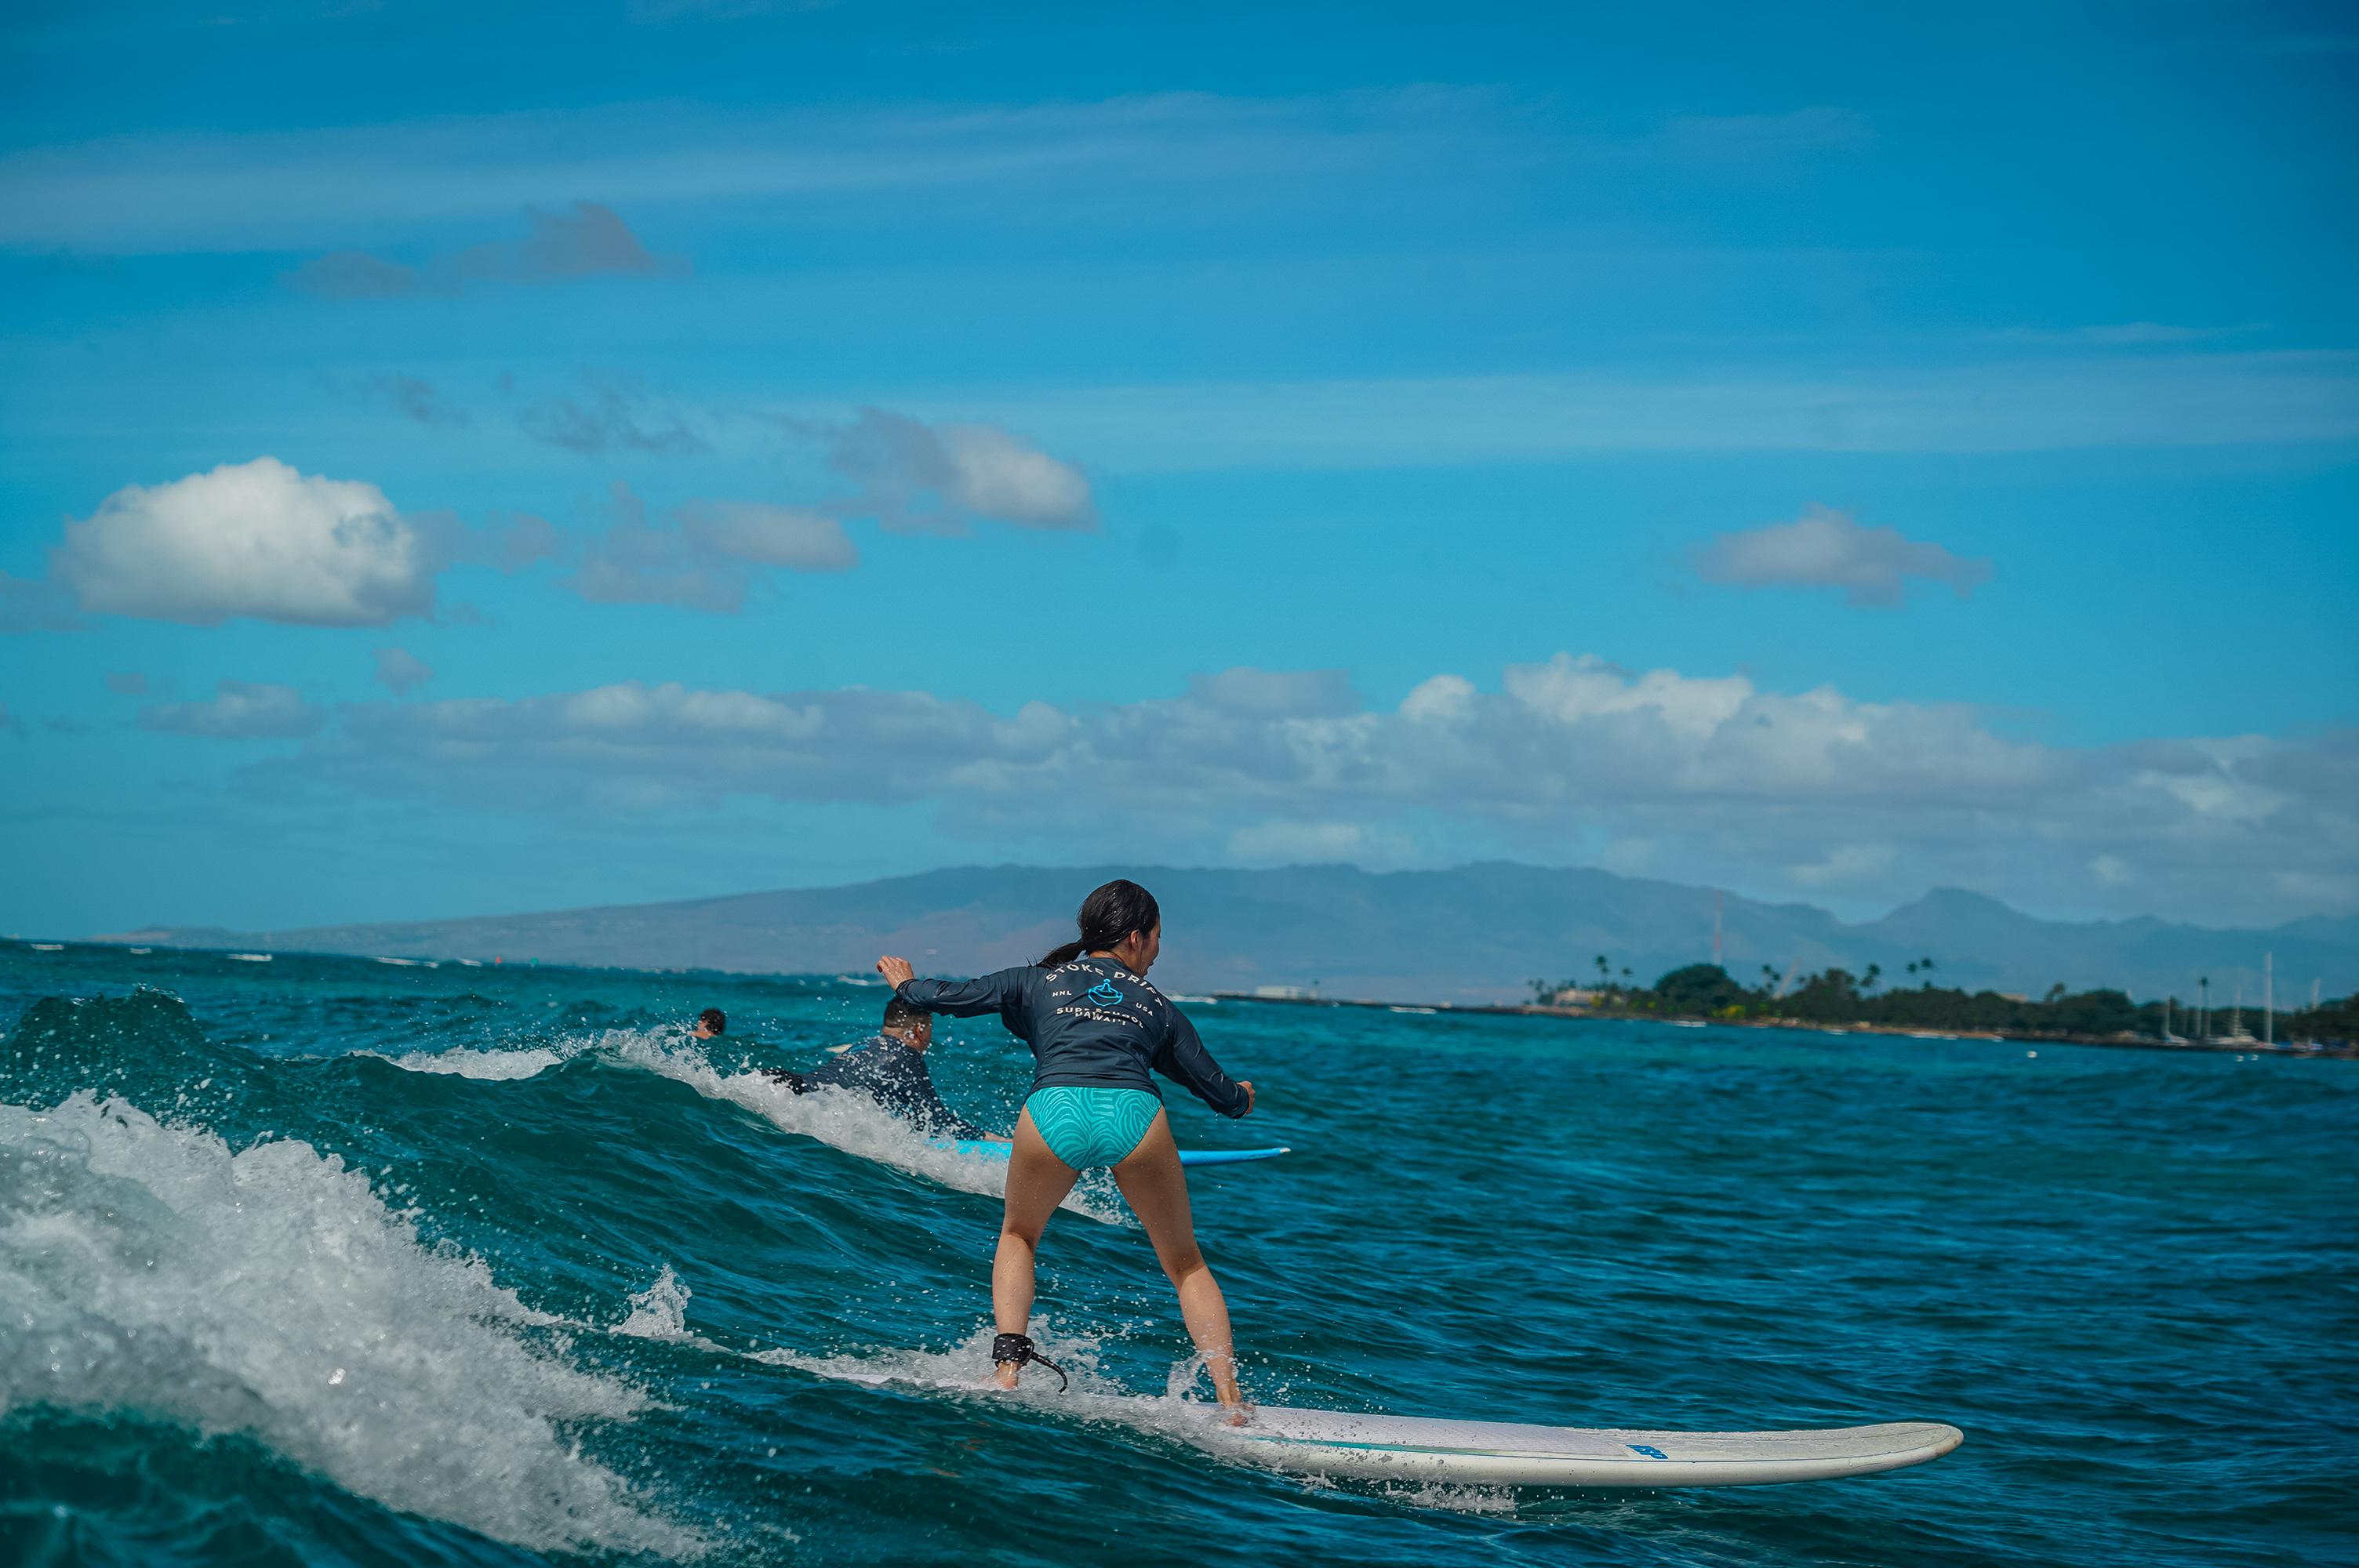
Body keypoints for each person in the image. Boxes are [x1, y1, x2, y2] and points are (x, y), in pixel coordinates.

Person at [876, 878, 1259, 1421]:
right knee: (1185, 1263)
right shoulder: (1158, 1006)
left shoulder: (1036, 981)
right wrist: (1243, 1098)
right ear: (1135, 937)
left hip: (1053, 1111)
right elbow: (1218, 1092)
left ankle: (1008, 1373)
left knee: (1020, 1234)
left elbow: (945, 997)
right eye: (1156, 938)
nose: (1157, 951)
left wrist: (907, 983)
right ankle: (1231, 1402)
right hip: (1134, 1117)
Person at [764, 996, 1006, 1143]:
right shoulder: (905, 1056)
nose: (931, 1038)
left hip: (783, 1084)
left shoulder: (863, 1045)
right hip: (804, 1101)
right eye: (931, 1030)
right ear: (920, 1030)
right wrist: (995, 1140)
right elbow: (936, 1119)